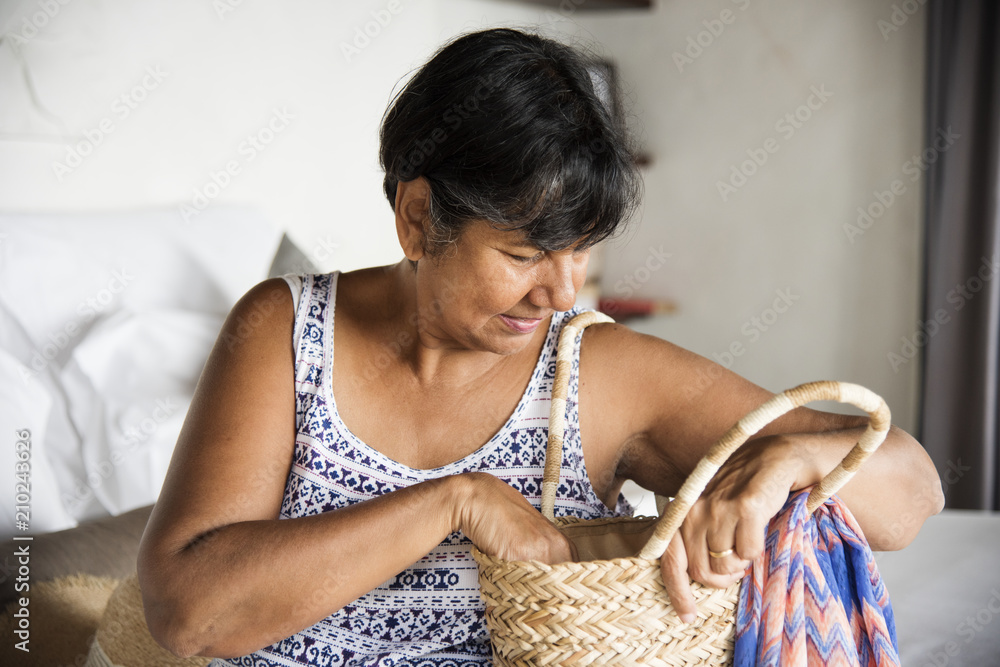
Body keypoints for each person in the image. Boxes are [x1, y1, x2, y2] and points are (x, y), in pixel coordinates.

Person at [137, 27, 944, 665]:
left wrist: (789, 464)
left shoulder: (595, 372)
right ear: (418, 217)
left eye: (580, 251)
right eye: (523, 255)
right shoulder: (283, 331)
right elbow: (189, 612)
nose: (560, 292)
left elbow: (911, 492)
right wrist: (456, 502)